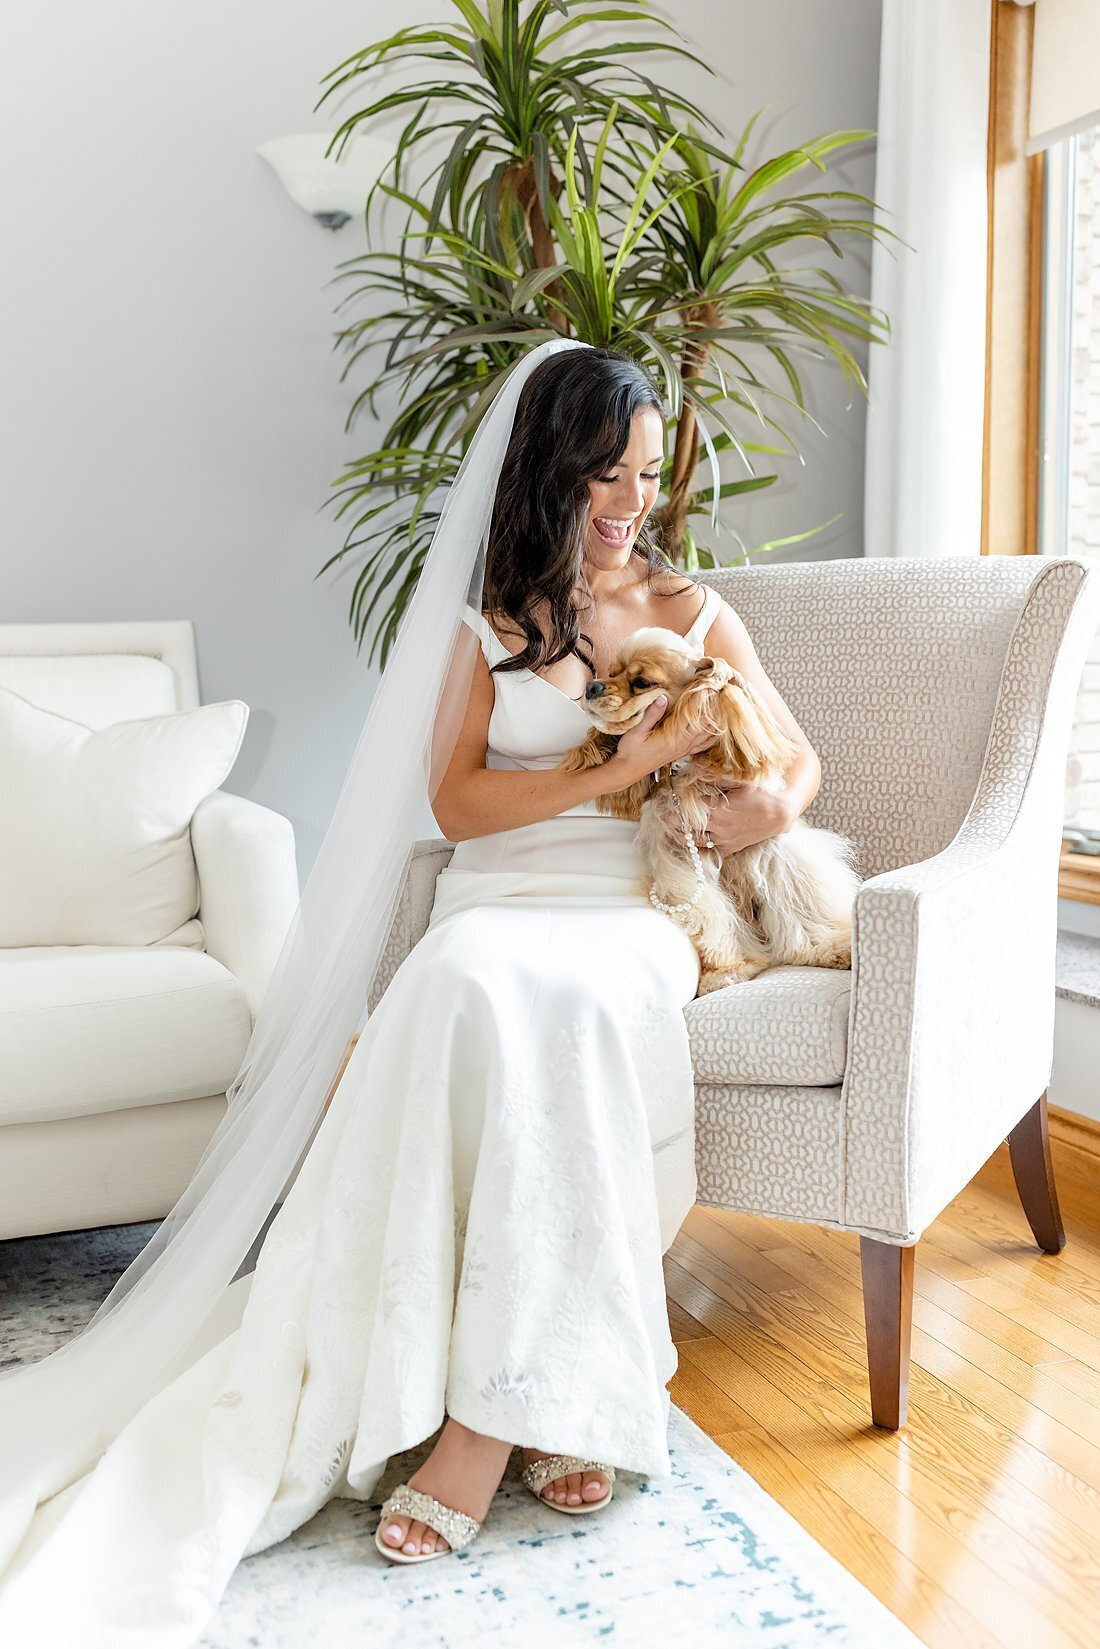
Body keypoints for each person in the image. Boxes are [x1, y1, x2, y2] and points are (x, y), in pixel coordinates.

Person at [0, 339, 821, 1639]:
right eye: (606, 476)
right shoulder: (482, 623)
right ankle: (532, 1397)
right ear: (552, 474)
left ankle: (486, 1420)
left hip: (628, 910)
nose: (630, 505)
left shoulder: (694, 609)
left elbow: (800, 767)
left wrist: (758, 801)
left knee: (566, 1003)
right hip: (498, 897)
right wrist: (622, 764)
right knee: (466, 988)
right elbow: (459, 803)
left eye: (649, 477)